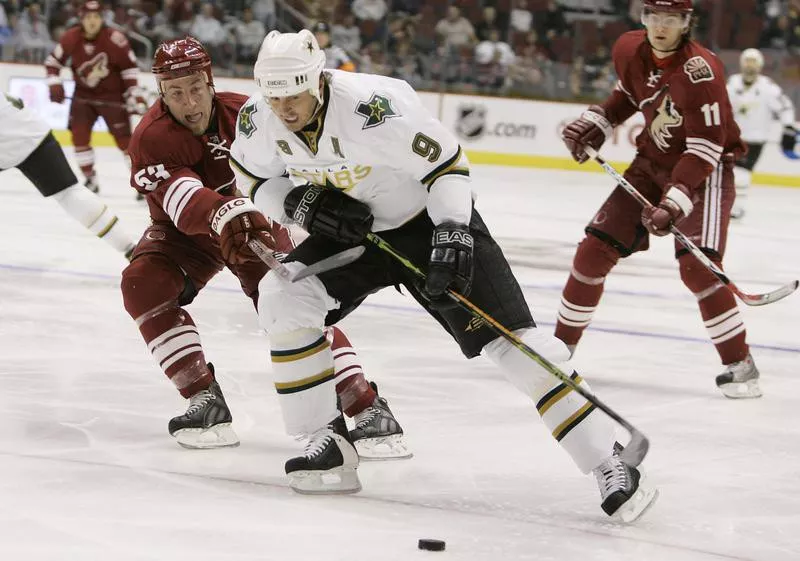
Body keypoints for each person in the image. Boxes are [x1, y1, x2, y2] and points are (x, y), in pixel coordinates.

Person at [229, 29, 657, 521]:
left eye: (295, 95)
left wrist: (453, 232)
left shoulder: (375, 107)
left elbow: (447, 166)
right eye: (275, 96)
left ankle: (609, 458)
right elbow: (257, 179)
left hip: (427, 223)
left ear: (320, 80)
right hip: (358, 235)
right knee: (282, 296)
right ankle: (327, 441)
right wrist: (298, 203)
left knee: (514, 344)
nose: (284, 108)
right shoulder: (258, 117)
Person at [121, 37, 409, 460]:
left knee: (292, 304)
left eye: (196, 88)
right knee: (142, 285)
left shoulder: (248, 114)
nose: (189, 101)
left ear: (210, 82)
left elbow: (297, 166)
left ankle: (365, 405)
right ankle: (203, 399)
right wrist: (225, 212)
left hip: (255, 226)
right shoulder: (150, 137)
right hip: (188, 235)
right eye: (175, 92)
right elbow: (182, 199)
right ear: (161, 93)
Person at [558, 0, 761, 399]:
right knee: (592, 252)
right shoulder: (629, 49)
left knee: (699, 269)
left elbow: (706, 146)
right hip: (650, 165)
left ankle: (741, 365)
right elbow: (627, 94)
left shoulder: (699, 71)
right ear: (643, 18)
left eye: (671, 19)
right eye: (654, 16)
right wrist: (597, 122)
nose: (661, 26)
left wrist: (675, 202)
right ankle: (559, 350)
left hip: (705, 171)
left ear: (687, 23)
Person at [0, 92, 134, 258]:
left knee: (70, 193)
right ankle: (129, 249)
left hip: (20, 132)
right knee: (69, 193)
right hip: (29, 130)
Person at [45, 0, 149, 193]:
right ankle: (90, 178)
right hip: (82, 99)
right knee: (79, 138)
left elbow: (129, 69)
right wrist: (55, 84)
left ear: (102, 19)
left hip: (113, 98)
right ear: (81, 19)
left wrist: (134, 94)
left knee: (125, 142)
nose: (92, 21)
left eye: (96, 17)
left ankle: (142, 182)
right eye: (88, 17)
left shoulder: (115, 39)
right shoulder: (70, 37)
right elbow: (52, 63)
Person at [727, 48, 797, 219]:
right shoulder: (732, 83)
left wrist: (788, 127)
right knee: (728, 174)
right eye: (747, 61)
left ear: (760, 65)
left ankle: (737, 208)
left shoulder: (768, 87)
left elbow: (785, 107)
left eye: (754, 62)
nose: (750, 66)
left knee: (742, 175)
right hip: (732, 138)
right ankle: (728, 205)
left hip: (755, 140)